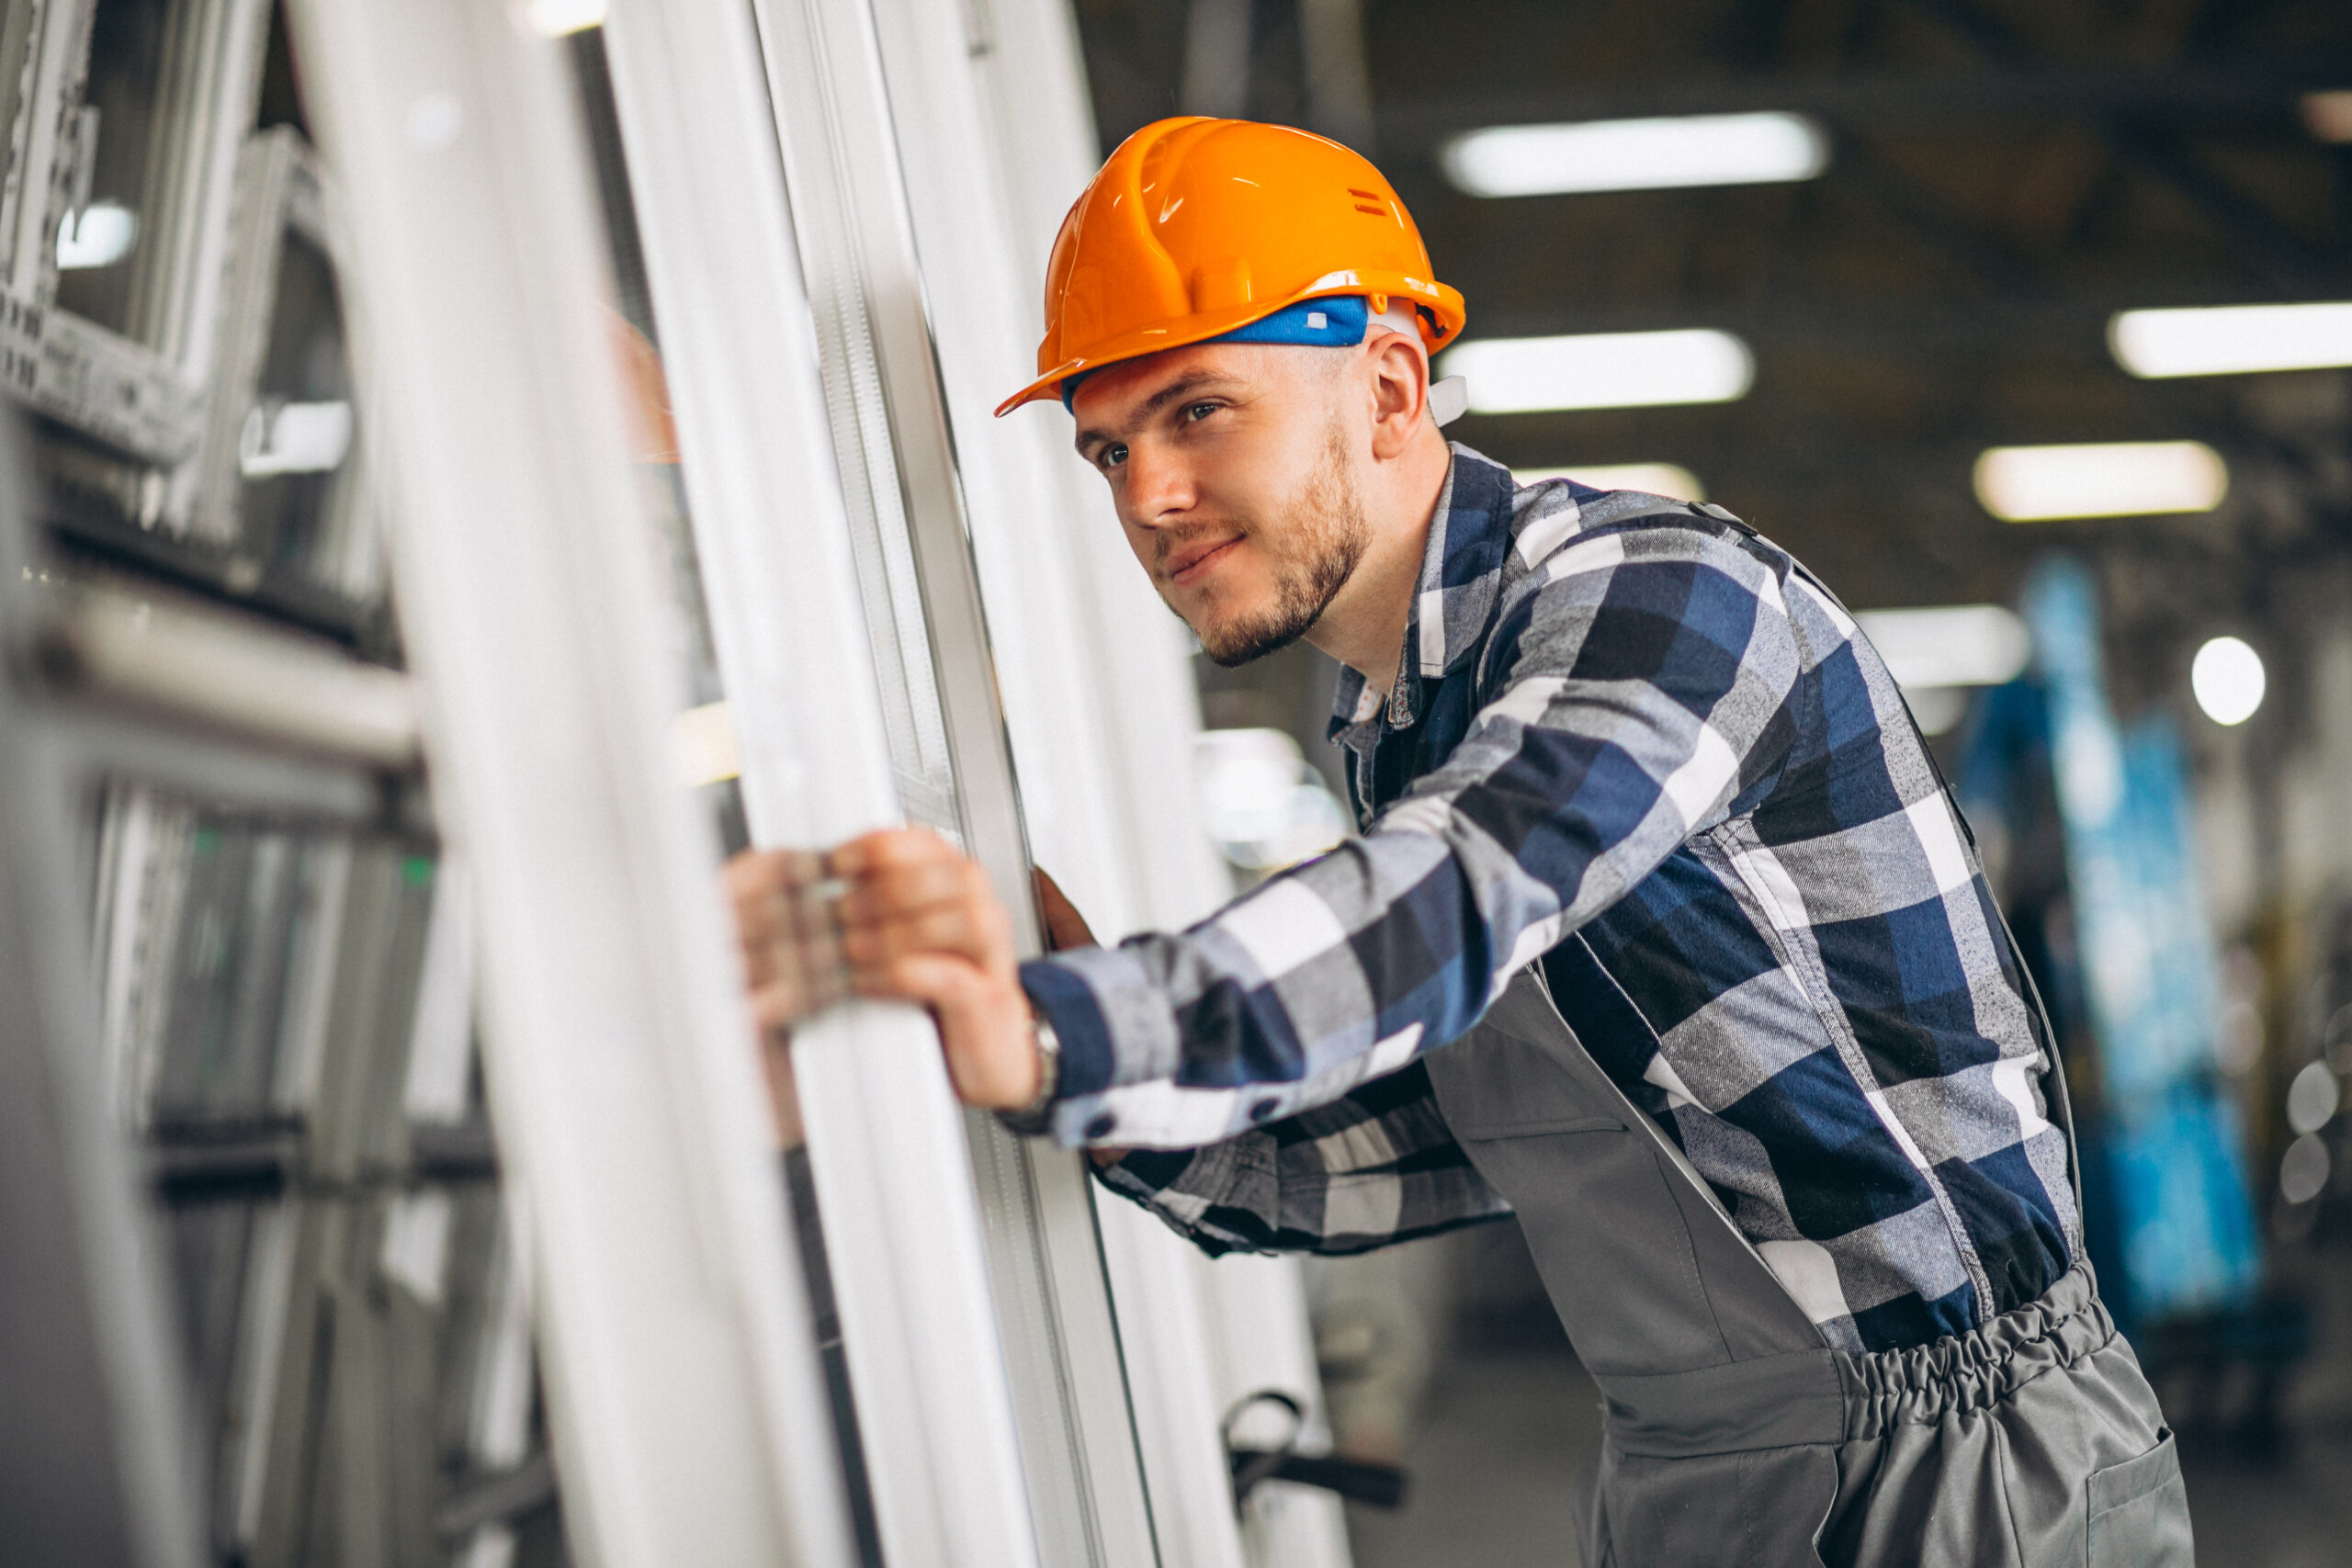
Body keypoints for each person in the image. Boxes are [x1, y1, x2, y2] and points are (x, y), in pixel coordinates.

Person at [729, 117, 2191, 1566]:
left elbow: (1467, 886)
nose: (1147, 498)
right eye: (1107, 449)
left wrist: (1073, 1032)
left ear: (1388, 385)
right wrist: (1088, 1086)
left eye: (1198, 411)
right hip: (1703, 1471)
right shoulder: (1401, 729)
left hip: (1962, 1468)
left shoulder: (1658, 596)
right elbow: (1483, 1139)